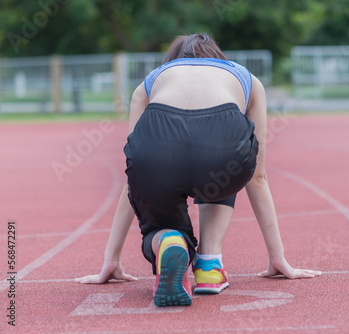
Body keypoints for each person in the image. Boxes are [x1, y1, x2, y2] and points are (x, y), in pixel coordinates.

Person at [75, 33, 321, 306]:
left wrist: (111, 259)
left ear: (172, 61)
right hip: (222, 152)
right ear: (218, 57)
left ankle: (168, 240)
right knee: (226, 162)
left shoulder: (152, 80)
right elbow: (258, 178)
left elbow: (133, 175)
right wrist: (278, 258)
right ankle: (209, 266)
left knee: (160, 226)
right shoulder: (247, 79)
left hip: (158, 152)